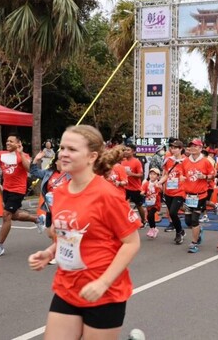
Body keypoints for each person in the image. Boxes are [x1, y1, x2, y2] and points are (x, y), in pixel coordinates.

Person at [28, 125, 141, 339]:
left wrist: (103, 282)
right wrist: (50, 253)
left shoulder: (107, 195)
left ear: (91, 157)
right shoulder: (59, 192)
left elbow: (132, 243)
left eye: (72, 149)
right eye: (62, 147)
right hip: (67, 287)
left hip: (104, 293)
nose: (63, 153)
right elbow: (72, 233)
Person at [0, 131, 43, 258]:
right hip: (6, 190)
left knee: (6, 215)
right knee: (12, 216)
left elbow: (28, 169)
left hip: (18, 190)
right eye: (7, 141)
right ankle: (37, 219)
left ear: (18, 143)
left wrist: (20, 153)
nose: (8, 143)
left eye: (11, 141)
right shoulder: (1, 154)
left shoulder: (23, 155)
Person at [30, 150, 71, 264]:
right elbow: (34, 172)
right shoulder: (49, 172)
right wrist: (36, 159)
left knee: (56, 230)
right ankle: (62, 250)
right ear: (56, 161)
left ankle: (57, 254)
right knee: (50, 232)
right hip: (50, 207)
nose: (62, 162)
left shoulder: (71, 174)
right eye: (60, 160)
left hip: (64, 207)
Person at [181, 138, 215, 253]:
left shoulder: (205, 161)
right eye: (191, 146)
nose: (193, 148)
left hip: (200, 195)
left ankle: (194, 243)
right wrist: (181, 177)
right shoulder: (185, 161)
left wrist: (205, 177)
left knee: (195, 220)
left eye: (195, 146)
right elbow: (182, 172)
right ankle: (199, 231)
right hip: (188, 196)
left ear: (200, 148)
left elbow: (212, 175)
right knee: (187, 221)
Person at [157, 139, 187, 242]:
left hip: (180, 191)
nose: (173, 150)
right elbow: (166, 174)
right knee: (171, 213)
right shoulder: (168, 160)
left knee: (173, 212)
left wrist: (184, 178)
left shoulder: (186, 161)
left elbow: (189, 174)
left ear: (181, 149)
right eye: (172, 148)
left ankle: (178, 233)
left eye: (176, 148)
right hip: (169, 190)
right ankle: (181, 230)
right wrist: (159, 182)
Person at [122, 144, 147, 228]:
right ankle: (126, 221)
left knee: (139, 205)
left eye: (128, 150)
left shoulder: (136, 161)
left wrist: (131, 174)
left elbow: (140, 174)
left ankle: (143, 220)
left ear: (133, 152)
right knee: (123, 204)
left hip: (135, 188)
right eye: (125, 150)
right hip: (125, 187)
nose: (126, 151)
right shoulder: (123, 161)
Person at [141, 168, 162, 239]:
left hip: (156, 203)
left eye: (154, 174)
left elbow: (161, 191)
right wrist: (142, 192)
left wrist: (159, 187)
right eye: (151, 174)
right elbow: (143, 189)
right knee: (149, 217)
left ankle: (153, 229)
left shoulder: (158, 183)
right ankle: (153, 228)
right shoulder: (146, 183)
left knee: (150, 215)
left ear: (158, 176)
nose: (152, 176)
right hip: (148, 203)